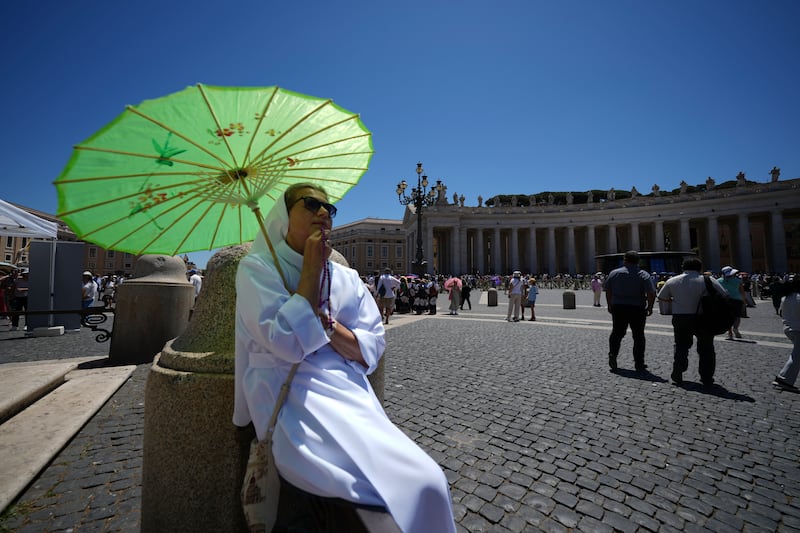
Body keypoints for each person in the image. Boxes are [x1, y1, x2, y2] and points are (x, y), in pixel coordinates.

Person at [234, 183, 456, 532]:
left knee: (428, 481)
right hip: (286, 393)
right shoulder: (256, 270)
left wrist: (326, 326)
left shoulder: (348, 277)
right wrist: (310, 272)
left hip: (347, 391)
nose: (324, 213)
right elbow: (286, 343)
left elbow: (371, 345)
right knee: (349, 485)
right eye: (311, 204)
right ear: (284, 214)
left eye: (329, 209)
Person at [657, 257, 727, 387]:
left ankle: (678, 369)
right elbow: (723, 294)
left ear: (683, 267)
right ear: (700, 268)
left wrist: (675, 302)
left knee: (681, 345)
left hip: (680, 317)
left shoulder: (673, 280)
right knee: (706, 347)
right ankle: (706, 376)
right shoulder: (708, 280)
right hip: (704, 317)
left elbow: (661, 296)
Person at [603, 251, 656, 372]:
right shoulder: (643, 274)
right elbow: (651, 293)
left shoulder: (614, 273)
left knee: (617, 333)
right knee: (638, 336)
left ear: (624, 260)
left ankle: (613, 354)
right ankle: (639, 363)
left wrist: (610, 304)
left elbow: (608, 291)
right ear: (638, 261)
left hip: (619, 307)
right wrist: (650, 307)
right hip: (637, 308)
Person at [773, 276, 800, 392]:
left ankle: (784, 377)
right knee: (796, 356)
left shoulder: (786, 298)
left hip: (788, 328)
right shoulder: (799, 298)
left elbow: (780, 312)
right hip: (798, 329)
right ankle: (784, 378)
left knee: (797, 354)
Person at [717, 266, 746, 339]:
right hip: (737, 300)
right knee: (737, 316)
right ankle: (735, 328)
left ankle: (729, 333)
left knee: (727, 317)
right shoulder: (738, 280)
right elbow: (742, 291)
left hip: (725, 300)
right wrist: (744, 300)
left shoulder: (718, 281)